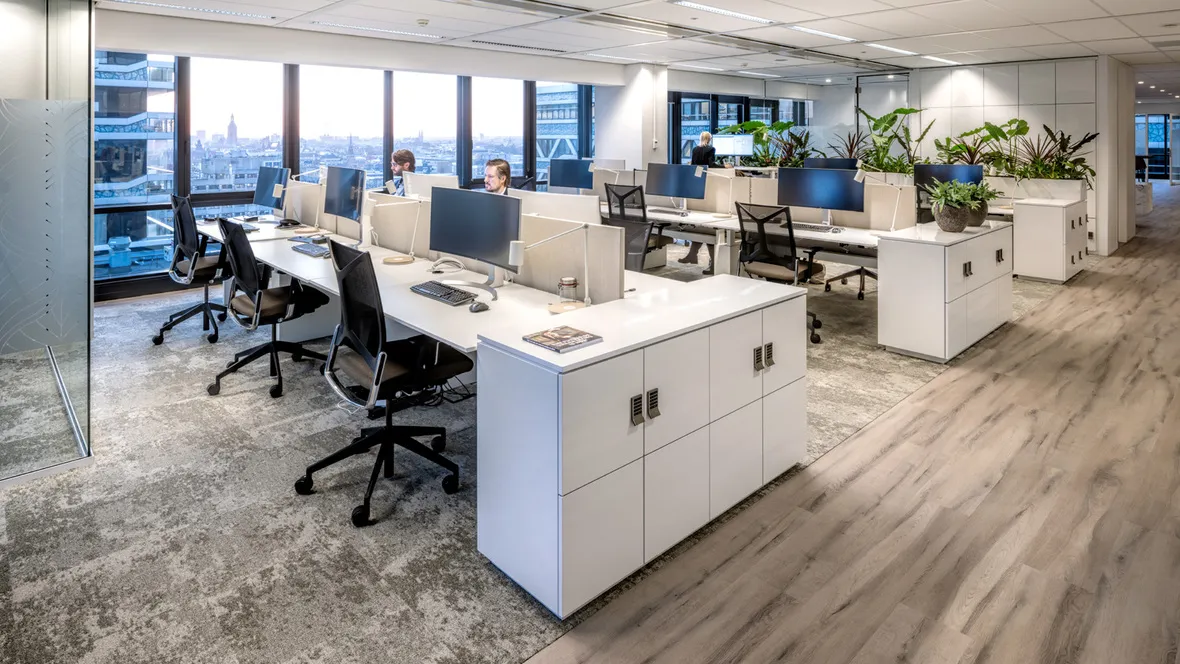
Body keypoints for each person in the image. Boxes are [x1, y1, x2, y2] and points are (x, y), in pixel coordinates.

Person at [681, 132, 718, 274]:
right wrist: (724, 167)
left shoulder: (695, 149)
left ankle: (692, 255)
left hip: (697, 183)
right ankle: (703, 259)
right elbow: (710, 165)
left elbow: (694, 165)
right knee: (707, 229)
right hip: (709, 183)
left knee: (701, 227)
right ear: (709, 139)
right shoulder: (711, 149)